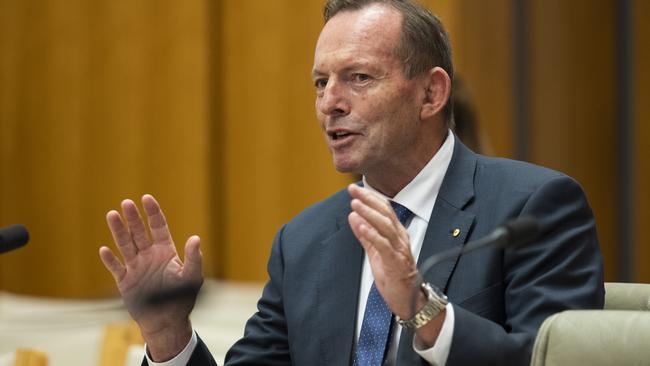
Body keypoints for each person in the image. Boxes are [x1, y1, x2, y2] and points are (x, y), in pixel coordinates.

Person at [99, 1, 604, 365]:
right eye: (321, 82)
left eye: (359, 77)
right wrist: (168, 336)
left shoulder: (532, 208)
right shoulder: (304, 241)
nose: (330, 103)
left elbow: (558, 360)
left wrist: (420, 307)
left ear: (431, 93)